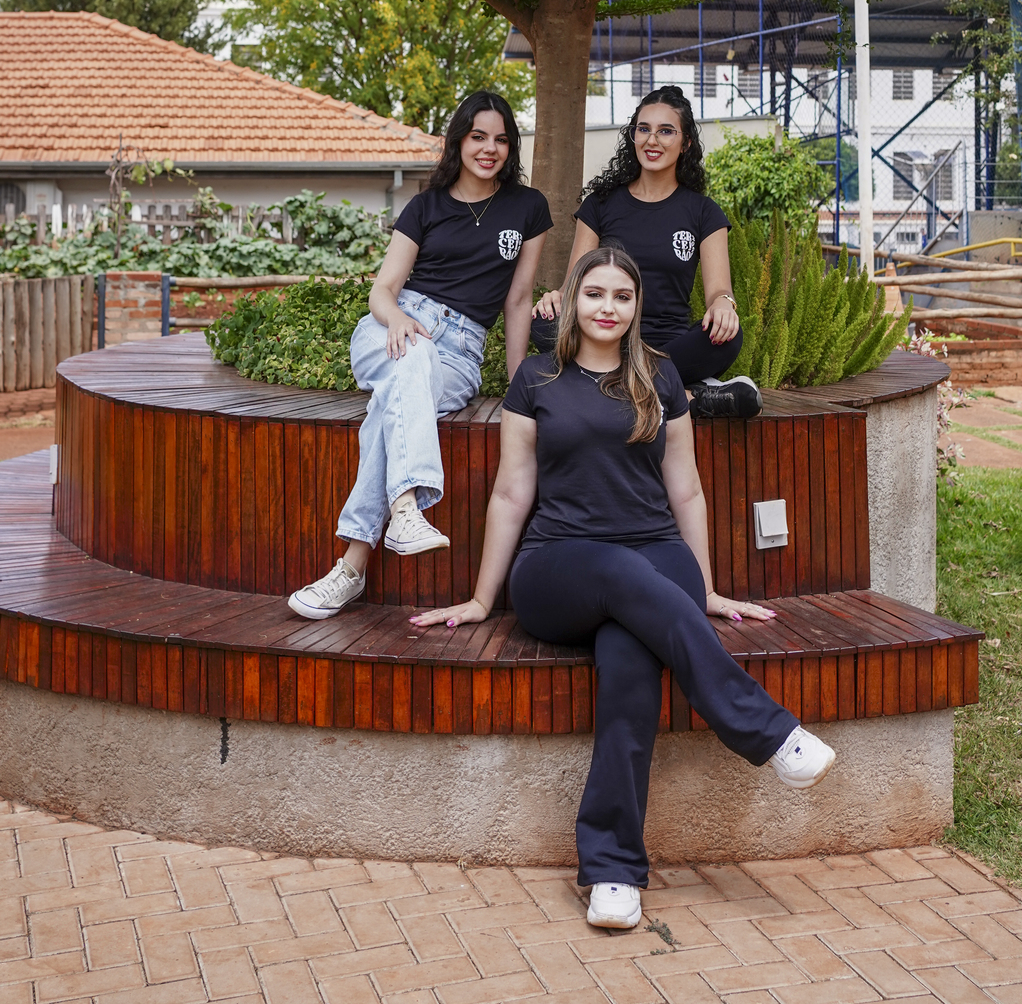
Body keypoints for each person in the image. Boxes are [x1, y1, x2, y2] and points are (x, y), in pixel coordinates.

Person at [410, 245, 836, 929]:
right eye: (595, 293)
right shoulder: (536, 378)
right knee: (619, 572)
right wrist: (483, 599)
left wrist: (706, 588)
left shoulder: (661, 375)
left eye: (622, 296)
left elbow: (685, 488)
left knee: (632, 664)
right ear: (573, 300)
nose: (607, 307)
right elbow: (512, 493)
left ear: (637, 307)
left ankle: (612, 873)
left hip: (656, 556)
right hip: (558, 566)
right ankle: (769, 731)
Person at [288, 91, 551, 620]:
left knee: (392, 404)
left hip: (460, 353)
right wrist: (399, 319)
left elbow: (518, 299)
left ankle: (352, 568)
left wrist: (518, 380)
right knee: (410, 358)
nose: (490, 149)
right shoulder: (425, 206)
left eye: (501, 139)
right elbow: (382, 290)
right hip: (394, 327)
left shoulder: (528, 207)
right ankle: (405, 508)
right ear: (459, 141)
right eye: (478, 137)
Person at [533, 83, 758, 415]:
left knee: (727, 335)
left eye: (666, 131)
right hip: (605, 334)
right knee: (543, 323)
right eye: (644, 129)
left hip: (671, 345)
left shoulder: (704, 212)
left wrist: (724, 303)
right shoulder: (600, 205)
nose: (652, 140)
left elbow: (718, 289)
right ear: (633, 136)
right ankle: (690, 398)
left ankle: (610, 384)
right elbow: (575, 285)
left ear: (686, 143)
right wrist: (556, 297)